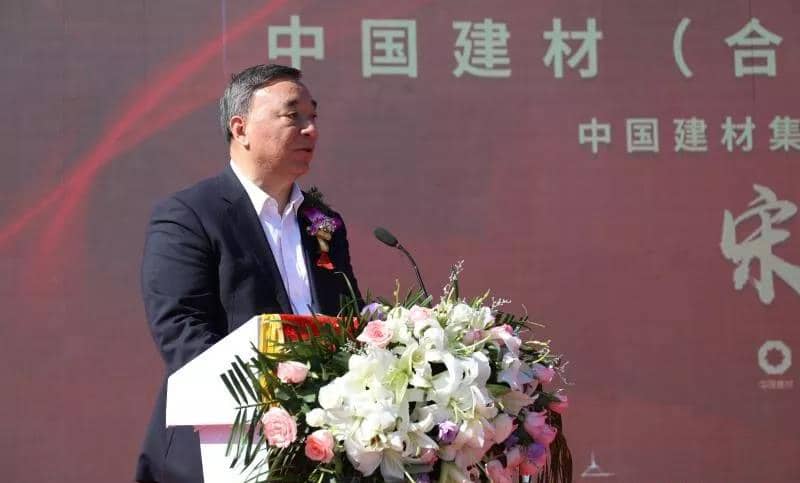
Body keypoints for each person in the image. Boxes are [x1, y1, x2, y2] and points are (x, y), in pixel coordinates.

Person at [135, 64, 361, 483]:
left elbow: (347, 319)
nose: (311, 129)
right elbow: (181, 330)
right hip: (219, 447)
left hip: (319, 448)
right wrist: (275, 399)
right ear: (240, 129)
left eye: (313, 116)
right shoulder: (189, 215)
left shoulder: (323, 222)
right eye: (293, 115)